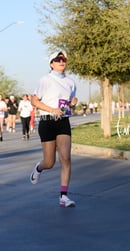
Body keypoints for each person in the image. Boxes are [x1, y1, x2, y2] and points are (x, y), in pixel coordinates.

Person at [29, 50, 78, 208]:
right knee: (50, 162)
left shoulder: (71, 82)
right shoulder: (45, 80)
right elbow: (34, 101)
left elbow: (69, 102)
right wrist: (51, 110)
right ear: (51, 64)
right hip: (47, 121)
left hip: (63, 122)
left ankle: (64, 196)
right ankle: (39, 167)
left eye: (63, 59)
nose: (61, 62)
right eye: (57, 59)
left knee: (66, 158)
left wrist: (73, 102)